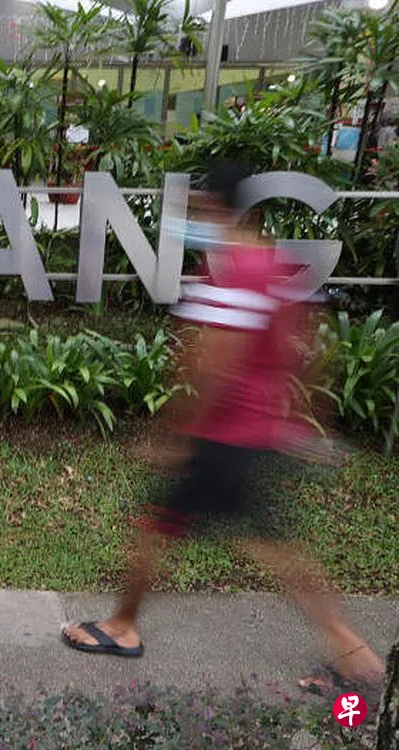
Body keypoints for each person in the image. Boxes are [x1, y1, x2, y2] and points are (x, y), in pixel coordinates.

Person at [59, 162, 386, 700]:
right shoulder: (276, 265)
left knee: (158, 526)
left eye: (197, 207)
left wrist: (178, 435)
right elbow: (311, 347)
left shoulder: (233, 270)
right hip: (258, 432)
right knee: (275, 548)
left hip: (223, 437)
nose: (192, 218)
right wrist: (305, 420)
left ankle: (122, 626)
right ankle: (358, 659)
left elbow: (214, 365)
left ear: (215, 205)